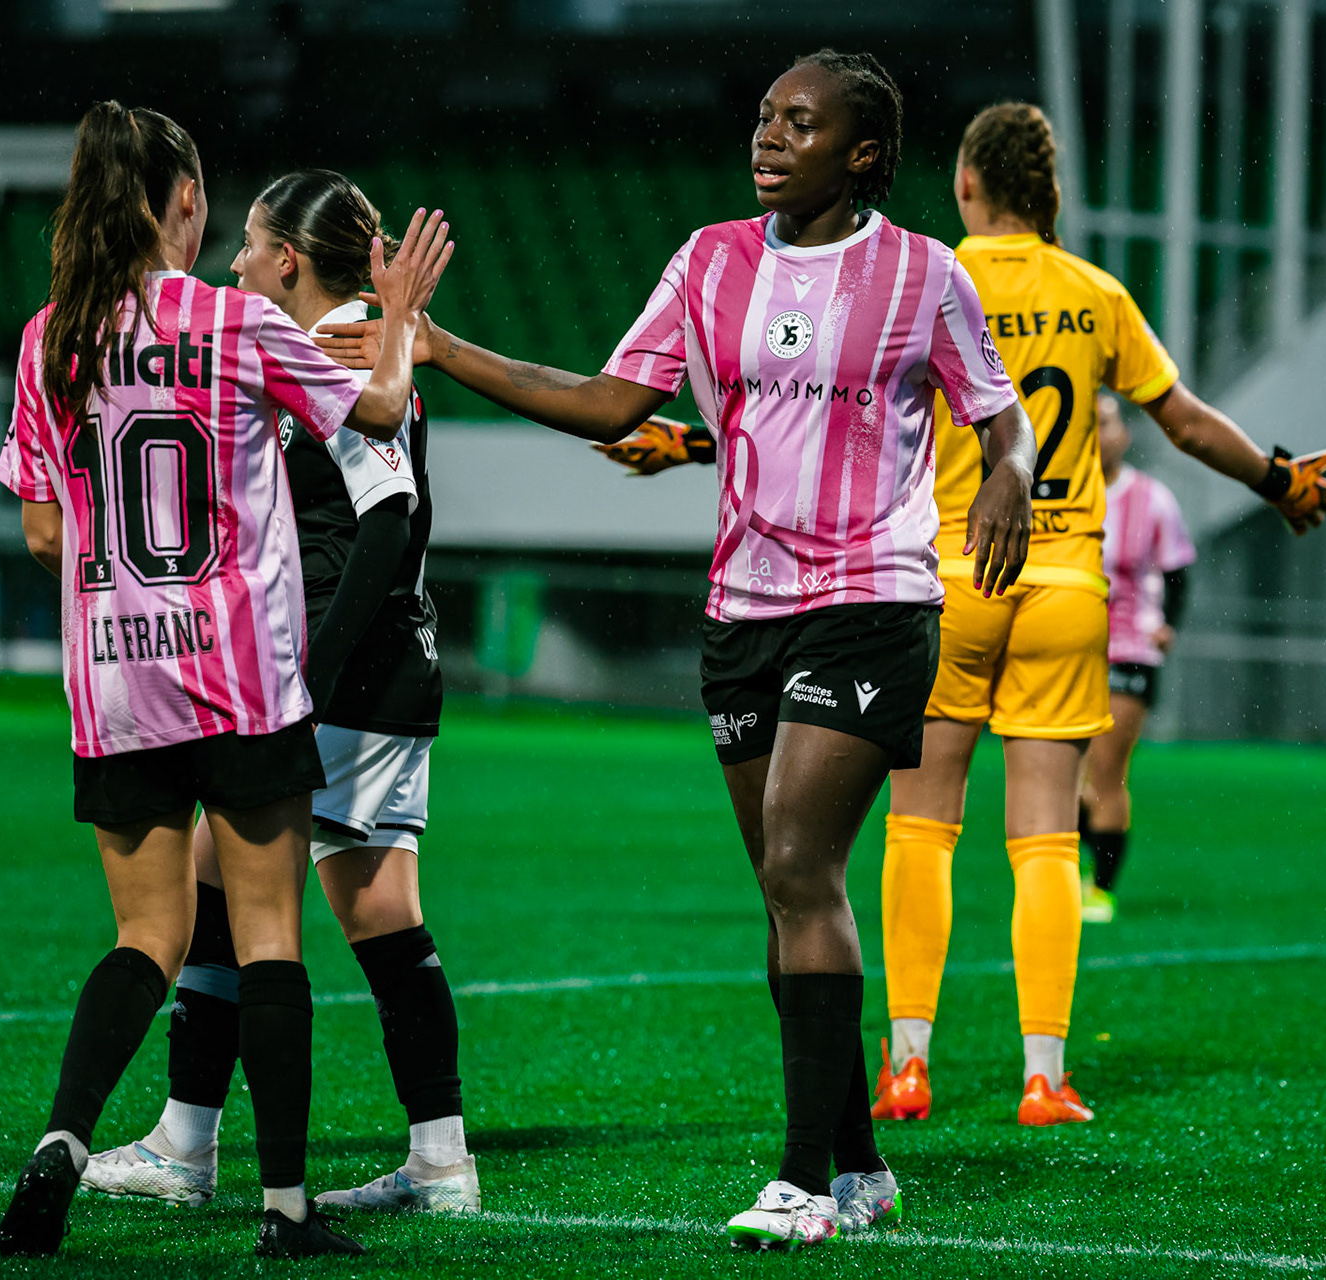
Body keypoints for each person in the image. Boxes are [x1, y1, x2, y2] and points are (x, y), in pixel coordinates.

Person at [318, 49, 1035, 1249]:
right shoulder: (711, 261)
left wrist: (1011, 478)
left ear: (862, 153)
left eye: (798, 124)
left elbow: (1002, 422)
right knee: (781, 886)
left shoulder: (925, 274)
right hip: (741, 609)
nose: (767, 135)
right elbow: (611, 402)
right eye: (763, 115)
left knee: (804, 869)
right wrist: (443, 351)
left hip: (872, 598)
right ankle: (859, 1163)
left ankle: (805, 1176)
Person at [0, 102, 448, 1259]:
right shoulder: (234, 323)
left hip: (117, 683)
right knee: (269, 935)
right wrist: (395, 319)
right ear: (183, 204)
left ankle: (64, 1138)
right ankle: (286, 1207)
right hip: (242, 675)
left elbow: (45, 534)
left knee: (144, 934)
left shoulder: (53, 337)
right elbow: (383, 411)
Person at [867, 102, 1326, 1129]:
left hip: (950, 575)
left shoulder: (923, 278)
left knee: (922, 821)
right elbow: (1179, 419)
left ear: (966, 186)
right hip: (1064, 585)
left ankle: (908, 1063)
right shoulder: (1094, 295)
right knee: (1046, 836)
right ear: (1048, 197)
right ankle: (1044, 1076)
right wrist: (1277, 478)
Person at [79, 170, 474, 1215]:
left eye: (251, 246)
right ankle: (439, 1157)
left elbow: (388, 515)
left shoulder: (344, 343)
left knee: (216, 876)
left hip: (350, 676)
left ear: (288, 261)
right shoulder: (351, 337)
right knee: (383, 909)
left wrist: (313, 670)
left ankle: (186, 1142)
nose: (238, 262)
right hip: (387, 672)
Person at [1078, 390, 1195, 925]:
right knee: (1063, 777)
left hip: (1127, 649)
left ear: (1124, 435)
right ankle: (1070, 876)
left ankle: (1100, 891)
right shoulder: (1055, 497)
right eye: (1089, 424)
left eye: (1106, 423)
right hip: (1064, 649)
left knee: (1105, 773)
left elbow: (1177, 571)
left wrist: (1168, 624)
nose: (1098, 434)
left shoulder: (1153, 500)